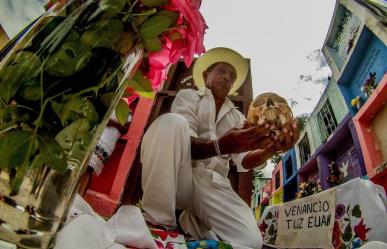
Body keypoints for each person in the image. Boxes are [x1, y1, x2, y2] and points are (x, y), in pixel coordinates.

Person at [140, 47, 299, 248]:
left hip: (214, 185)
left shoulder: (237, 118)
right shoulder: (189, 97)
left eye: (231, 76)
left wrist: (271, 150)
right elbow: (187, 145)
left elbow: (244, 161)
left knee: (251, 242)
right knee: (171, 122)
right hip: (181, 177)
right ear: (206, 75)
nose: (227, 78)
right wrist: (221, 146)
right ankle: (158, 223)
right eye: (221, 71)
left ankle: (191, 229)